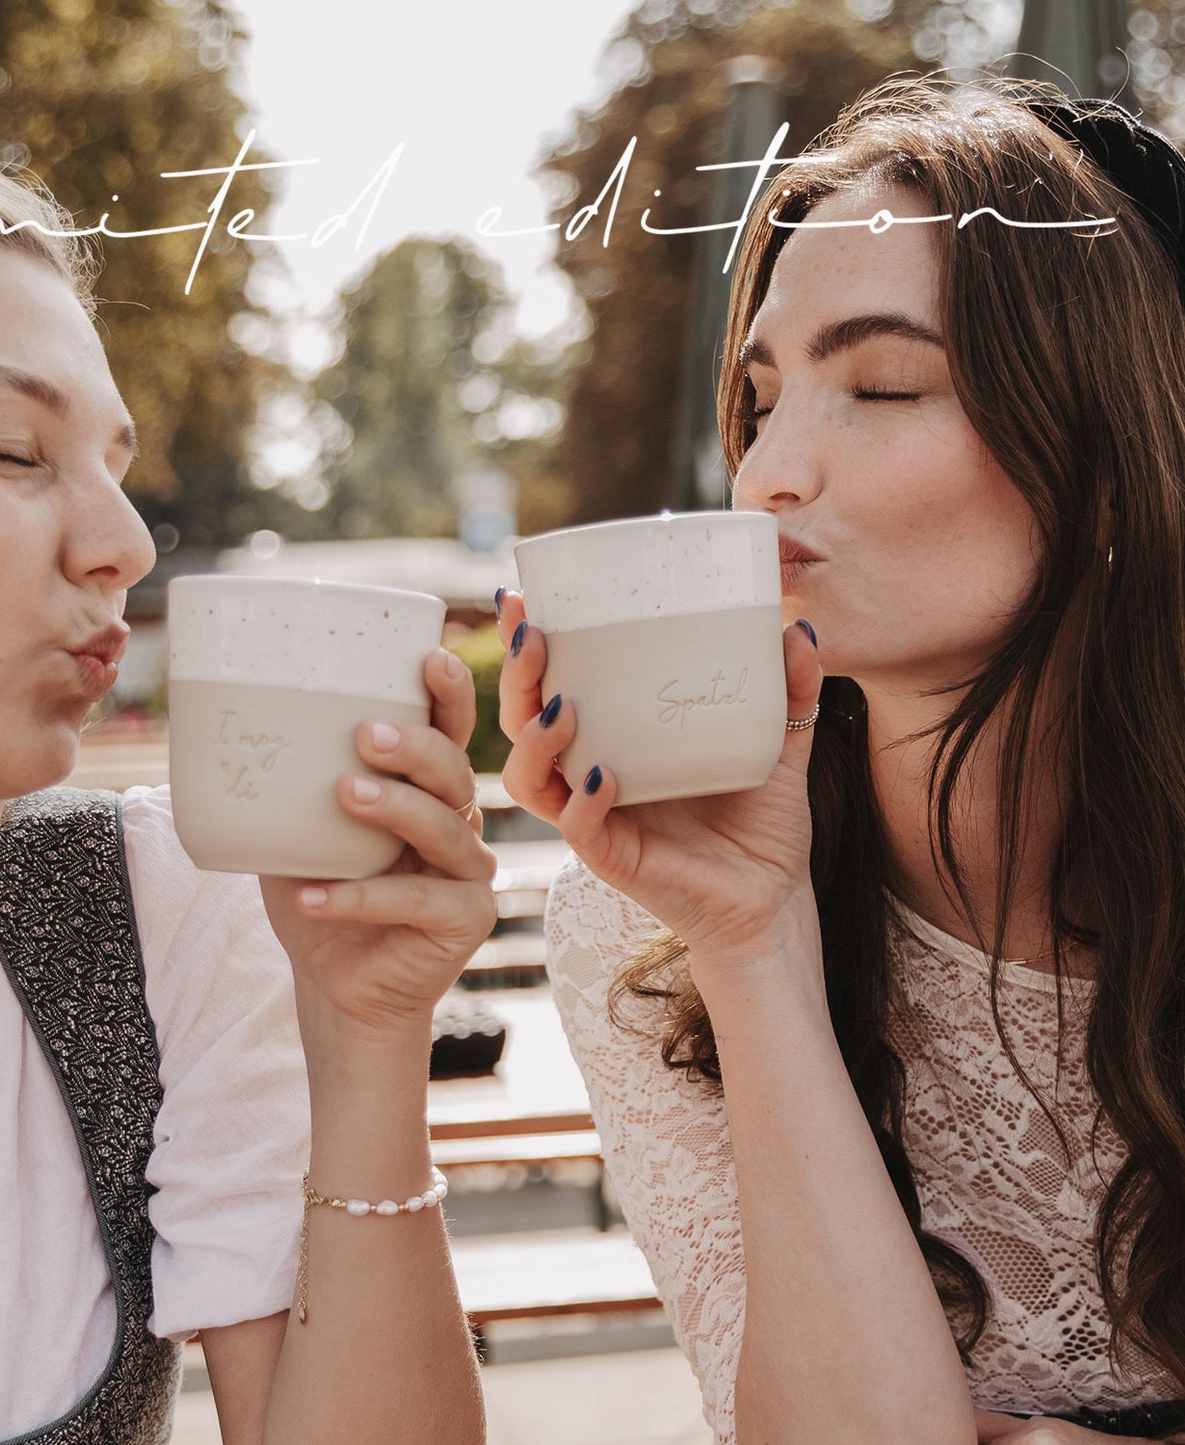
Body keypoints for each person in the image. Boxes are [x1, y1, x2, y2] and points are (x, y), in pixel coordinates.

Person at [0, 122, 493, 1444]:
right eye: (13, 452)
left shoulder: (156, 913)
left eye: (117, 467)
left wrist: (365, 1040)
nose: (125, 544)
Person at [498, 77, 1185, 1445]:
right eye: (758, 398)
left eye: (879, 383)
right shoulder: (651, 922)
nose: (764, 475)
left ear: (1108, 469)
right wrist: (751, 937)